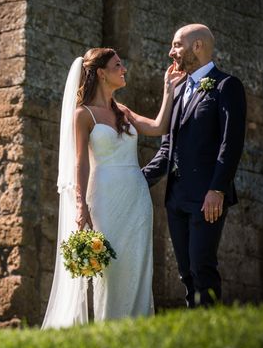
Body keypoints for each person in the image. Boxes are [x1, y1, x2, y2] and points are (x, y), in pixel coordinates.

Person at [42, 47, 183, 328]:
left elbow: (157, 127)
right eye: (118, 65)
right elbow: (80, 164)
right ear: (102, 73)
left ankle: (140, 330)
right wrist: (81, 205)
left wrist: (168, 91)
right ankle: (110, 330)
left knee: (139, 265)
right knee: (112, 269)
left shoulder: (123, 111)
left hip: (137, 195)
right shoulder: (83, 115)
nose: (124, 69)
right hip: (105, 197)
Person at [141, 24, 246, 307]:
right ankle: (195, 330)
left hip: (207, 198)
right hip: (176, 199)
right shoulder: (176, 92)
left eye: (176, 45)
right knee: (186, 272)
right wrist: (134, 181)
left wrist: (218, 190)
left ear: (197, 46)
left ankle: (211, 326)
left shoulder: (227, 86)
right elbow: (166, 151)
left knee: (202, 267)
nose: (171, 51)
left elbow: (231, 144)